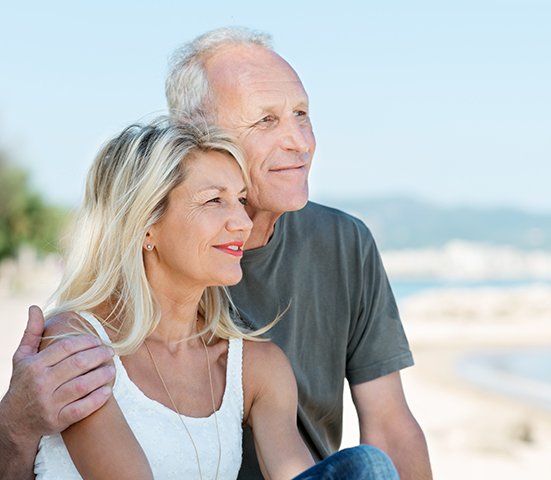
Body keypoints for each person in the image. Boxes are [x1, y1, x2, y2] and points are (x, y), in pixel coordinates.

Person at [0, 27, 432, 480]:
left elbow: (384, 426)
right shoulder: (81, 345)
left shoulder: (261, 352)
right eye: (266, 120)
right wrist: (13, 425)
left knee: (366, 466)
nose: (300, 141)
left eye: (302, 113)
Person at [31, 118, 398, 479]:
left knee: (367, 466)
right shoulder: (76, 344)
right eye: (213, 201)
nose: (242, 221)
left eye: (240, 200)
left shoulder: (254, 365)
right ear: (147, 224)